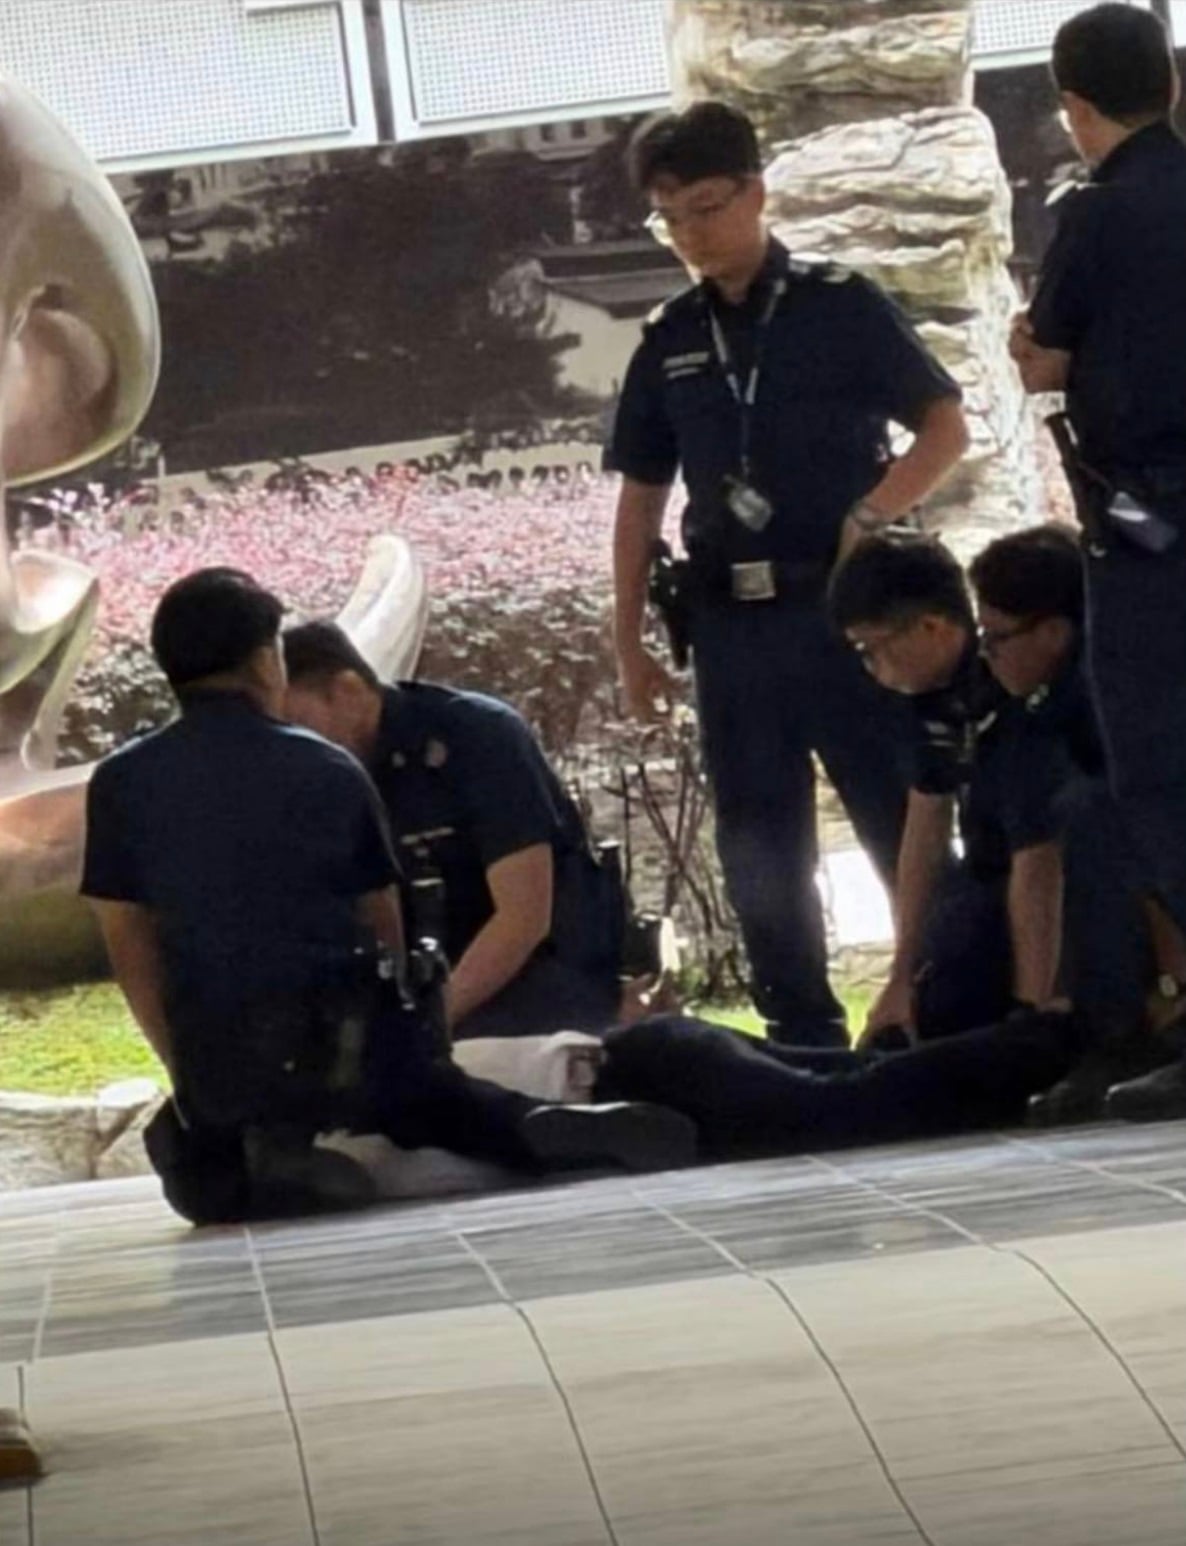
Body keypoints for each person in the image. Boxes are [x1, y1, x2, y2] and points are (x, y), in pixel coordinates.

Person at [80, 570, 695, 1224]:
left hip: (221, 1057)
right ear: (263, 661)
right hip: (342, 1046)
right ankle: (534, 1128)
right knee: (433, 1099)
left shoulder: (119, 784)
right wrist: (400, 1036)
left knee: (196, 1154)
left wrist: (184, 1067)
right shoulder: (326, 766)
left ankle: (286, 1162)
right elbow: (382, 923)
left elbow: (129, 944)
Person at [606, 101, 969, 1046]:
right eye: (670, 217)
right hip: (732, 627)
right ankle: (803, 1038)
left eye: (707, 207)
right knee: (759, 845)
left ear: (757, 193)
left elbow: (944, 428)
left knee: (896, 813)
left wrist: (869, 517)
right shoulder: (670, 336)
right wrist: (629, 642)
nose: (692, 234)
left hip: (846, 614)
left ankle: (941, 1008)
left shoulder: (839, 304)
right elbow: (640, 499)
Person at [1011, 4, 1186, 1121]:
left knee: (1160, 772)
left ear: (1074, 107)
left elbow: (1042, 361)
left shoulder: (1097, 214)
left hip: (1151, 535)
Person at [281, 620, 646, 1040]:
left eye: (299, 723)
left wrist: (431, 1024)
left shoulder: (478, 734)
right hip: (438, 983)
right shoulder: (334, 779)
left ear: (348, 691)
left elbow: (524, 917)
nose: (294, 749)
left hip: (541, 973)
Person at [830, 527, 1103, 1046]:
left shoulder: (1020, 690)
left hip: (1066, 882)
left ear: (931, 627)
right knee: (936, 1005)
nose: (871, 668)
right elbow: (925, 830)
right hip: (991, 879)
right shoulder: (929, 702)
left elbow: (1037, 856)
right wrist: (901, 976)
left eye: (871, 650)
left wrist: (1032, 1016)